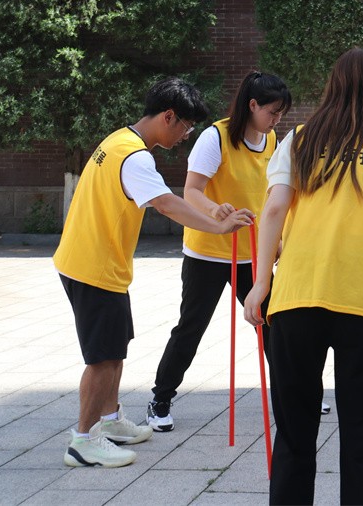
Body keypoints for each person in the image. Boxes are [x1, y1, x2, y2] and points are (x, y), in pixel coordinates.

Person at [244, 48, 363, 505]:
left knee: (294, 432)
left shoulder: (300, 139)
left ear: (335, 85)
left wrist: (261, 282)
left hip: (296, 297)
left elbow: (274, 209)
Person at [54, 77, 252, 468]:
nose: (185, 137)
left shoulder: (119, 140)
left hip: (93, 262)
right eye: (186, 127)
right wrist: (218, 227)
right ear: (168, 116)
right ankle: (83, 441)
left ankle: (110, 421)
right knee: (102, 358)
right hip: (94, 267)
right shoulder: (136, 158)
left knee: (115, 348)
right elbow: (166, 204)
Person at [146, 72, 291, 432]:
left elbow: (271, 196)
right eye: (272, 112)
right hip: (208, 251)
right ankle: (160, 400)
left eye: (281, 113)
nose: (277, 120)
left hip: (252, 253)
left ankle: (293, 393)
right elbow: (191, 191)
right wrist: (216, 210)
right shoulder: (216, 137)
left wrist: (277, 238)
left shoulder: (272, 140)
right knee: (191, 327)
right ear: (252, 105)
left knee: (274, 324)